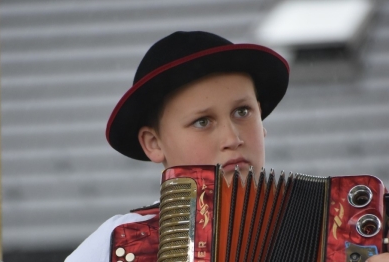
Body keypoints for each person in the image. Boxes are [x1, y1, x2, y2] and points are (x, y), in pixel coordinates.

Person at [65, 31, 388, 262]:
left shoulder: (355, 223)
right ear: (154, 143)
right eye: (203, 121)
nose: (233, 137)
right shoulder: (114, 244)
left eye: (243, 112)